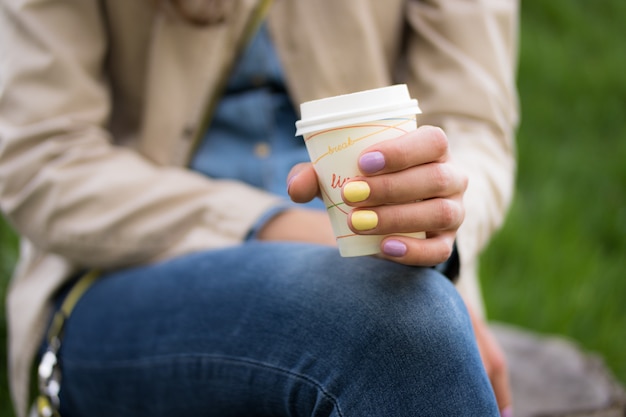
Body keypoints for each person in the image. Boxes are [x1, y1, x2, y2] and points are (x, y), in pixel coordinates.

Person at [0, 0, 519, 416]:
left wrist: (435, 208)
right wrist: (294, 229)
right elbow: (43, 161)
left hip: (389, 269)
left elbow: (473, 127)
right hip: (126, 272)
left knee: (410, 322)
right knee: (395, 329)